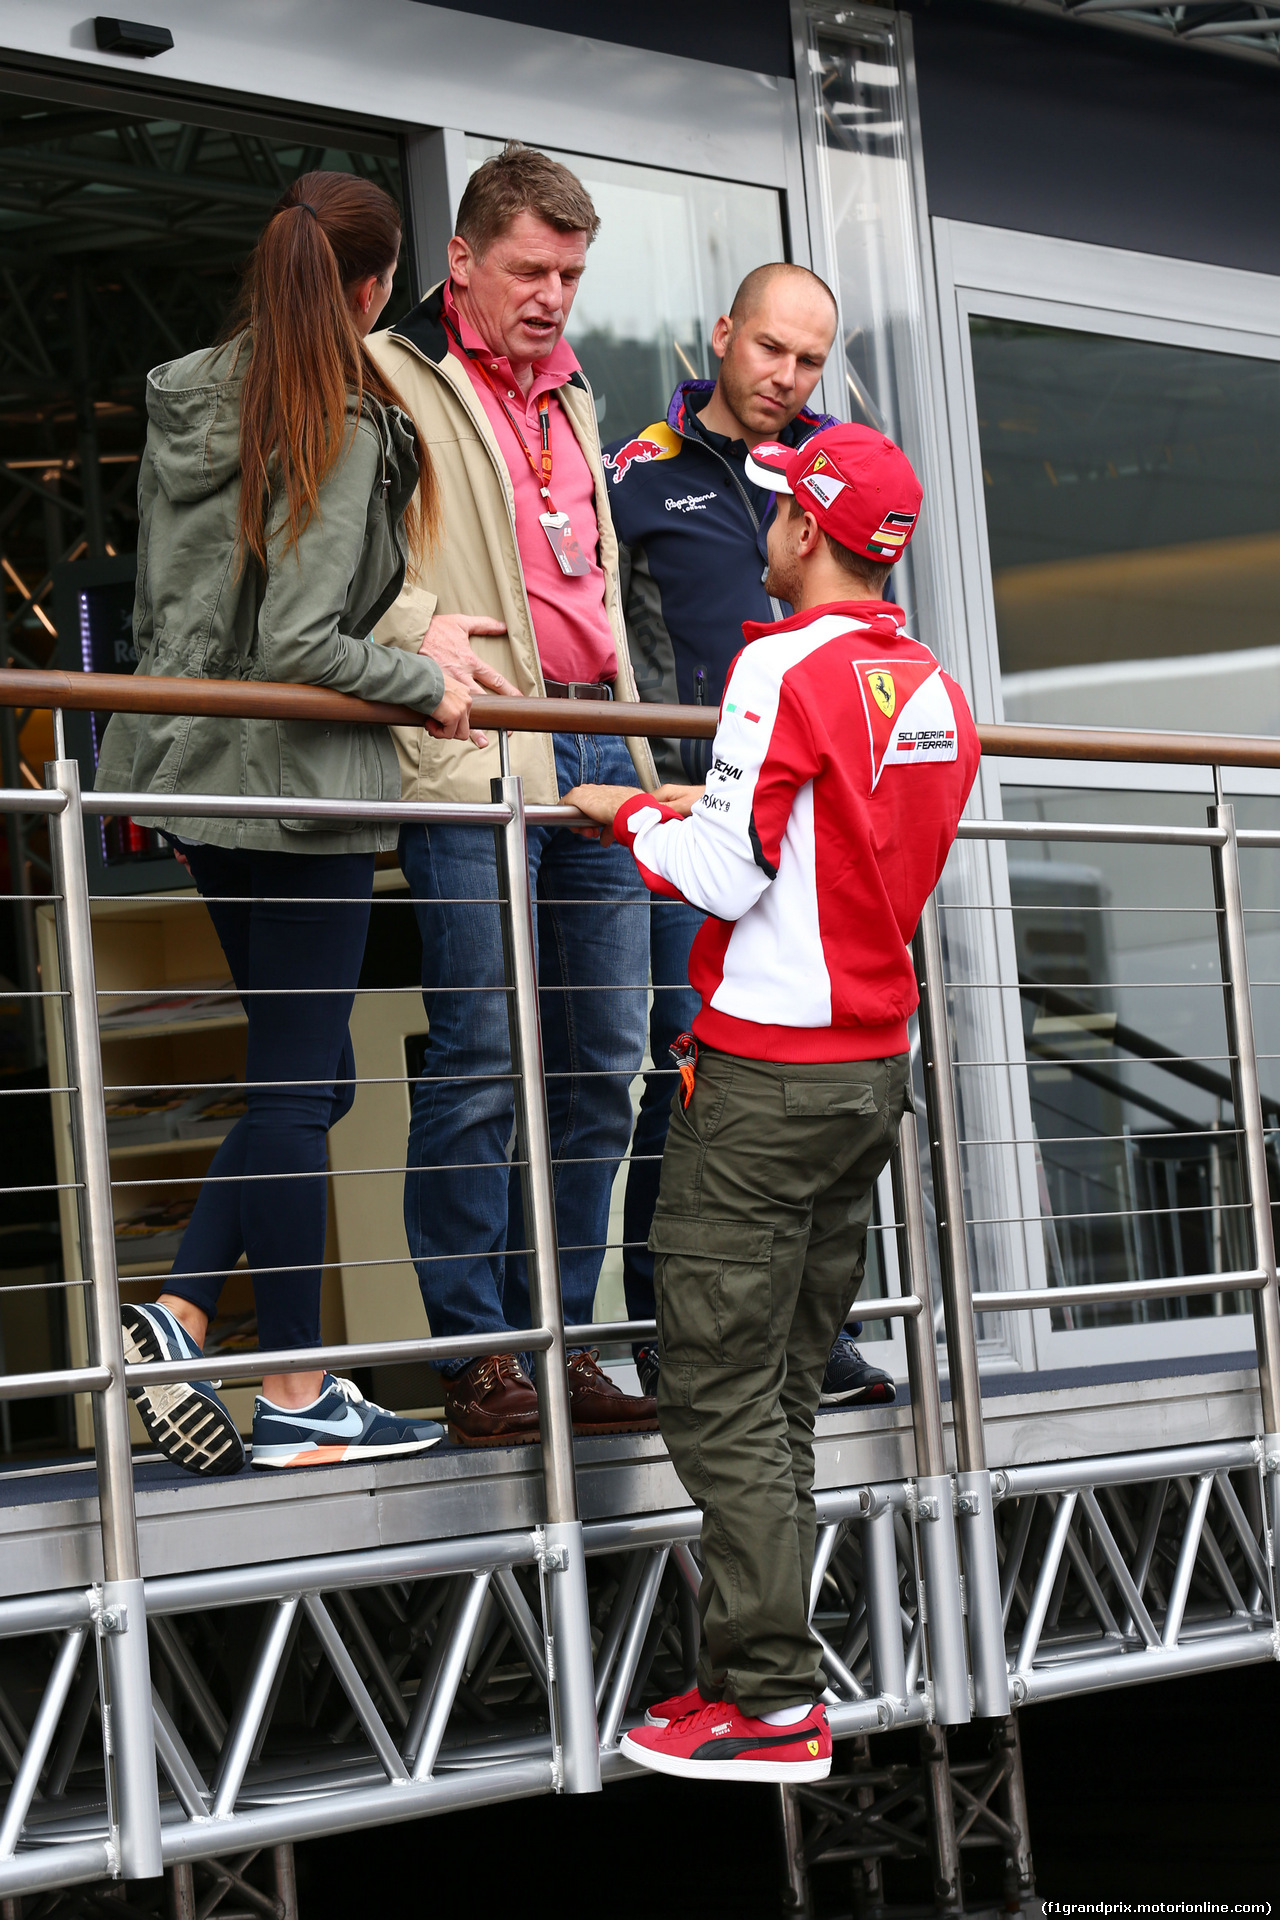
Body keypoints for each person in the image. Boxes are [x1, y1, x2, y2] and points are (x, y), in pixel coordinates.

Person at [564, 422, 980, 1783]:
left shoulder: (776, 664)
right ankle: (759, 1675)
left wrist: (626, 817)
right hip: (871, 1068)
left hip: (764, 1078)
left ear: (803, 531)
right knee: (783, 1384)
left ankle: (769, 1698)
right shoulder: (928, 683)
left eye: (776, 517)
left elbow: (729, 876)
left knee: (714, 1382)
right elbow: (827, 841)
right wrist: (716, 811)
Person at [99, 172, 470, 1475]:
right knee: (299, 1080)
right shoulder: (347, 421)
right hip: (299, 794)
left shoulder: (196, 390)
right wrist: (431, 683)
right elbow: (307, 641)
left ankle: (197, 1310)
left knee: (309, 1076)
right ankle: (297, 1388)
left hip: (195, 777)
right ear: (371, 288)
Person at [365, 142, 658, 1447]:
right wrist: (410, 622)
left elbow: (592, 583)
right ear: (462, 263)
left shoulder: (578, 391)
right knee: (484, 1053)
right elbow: (318, 550)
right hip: (479, 747)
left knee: (603, 1063)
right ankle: (482, 1355)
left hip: (598, 744)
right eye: (531, 270)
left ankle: (565, 1337)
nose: (552, 296)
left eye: (574, 275)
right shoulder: (385, 374)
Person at [606, 264, 896, 1413]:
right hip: (693, 815)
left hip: (818, 831)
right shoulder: (635, 470)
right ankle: (663, 1335)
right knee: (688, 1081)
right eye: (771, 349)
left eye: (811, 359)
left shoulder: (839, 477)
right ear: (721, 335)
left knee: (822, 1086)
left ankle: (809, 1338)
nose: (787, 377)